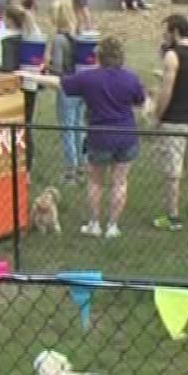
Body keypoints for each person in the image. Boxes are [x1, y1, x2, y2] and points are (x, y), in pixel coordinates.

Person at [27, 37, 146, 238]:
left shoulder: (89, 78)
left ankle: (94, 224)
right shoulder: (130, 78)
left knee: (95, 181)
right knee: (120, 182)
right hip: (126, 136)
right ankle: (113, 226)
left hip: (99, 136)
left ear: (99, 56)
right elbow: (140, 101)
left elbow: (59, 83)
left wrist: (31, 76)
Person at [150, 16, 188, 230]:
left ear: (175, 32)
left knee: (173, 171)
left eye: (166, 32)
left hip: (174, 120)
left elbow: (167, 91)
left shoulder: (172, 56)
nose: (164, 37)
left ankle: (172, 216)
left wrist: (157, 116)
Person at [45, 0, 86, 182]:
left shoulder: (59, 39)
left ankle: (70, 169)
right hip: (82, 86)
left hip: (66, 87)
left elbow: (58, 67)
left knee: (67, 128)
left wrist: (47, 67)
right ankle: (83, 164)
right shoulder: (79, 36)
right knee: (79, 126)